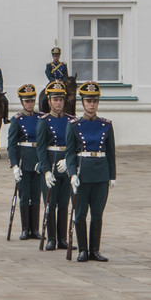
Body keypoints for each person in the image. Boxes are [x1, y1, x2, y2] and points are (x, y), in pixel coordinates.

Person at [66, 82, 115, 262]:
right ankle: (83, 249)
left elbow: (110, 153)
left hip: (101, 173)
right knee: (80, 214)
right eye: (88, 101)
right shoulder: (74, 125)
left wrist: (112, 176)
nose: (92, 104)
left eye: (94, 101)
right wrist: (72, 174)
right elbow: (70, 153)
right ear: (82, 103)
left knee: (97, 213)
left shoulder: (106, 125)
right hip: (83, 172)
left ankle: (95, 249)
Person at [36, 81, 74, 252]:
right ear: (49, 101)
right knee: (50, 203)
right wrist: (45, 171)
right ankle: (51, 238)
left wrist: (69, 162)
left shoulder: (71, 121)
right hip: (51, 164)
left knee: (64, 203)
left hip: (66, 165)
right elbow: (41, 149)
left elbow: (75, 146)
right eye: (55, 99)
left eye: (61, 99)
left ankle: (62, 239)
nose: (58, 103)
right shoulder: (44, 121)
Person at [5, 84, 42, 240]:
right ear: (22, 102)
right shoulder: (17, 120)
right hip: (24, 160)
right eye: (27, 101)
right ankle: (25, 228)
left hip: (38, 160)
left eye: (32, 101)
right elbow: (11, 145)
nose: (29, 104)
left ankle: (35, 229)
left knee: (36, 196)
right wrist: (14, 165)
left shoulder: (41, 118)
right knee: (24, 196)